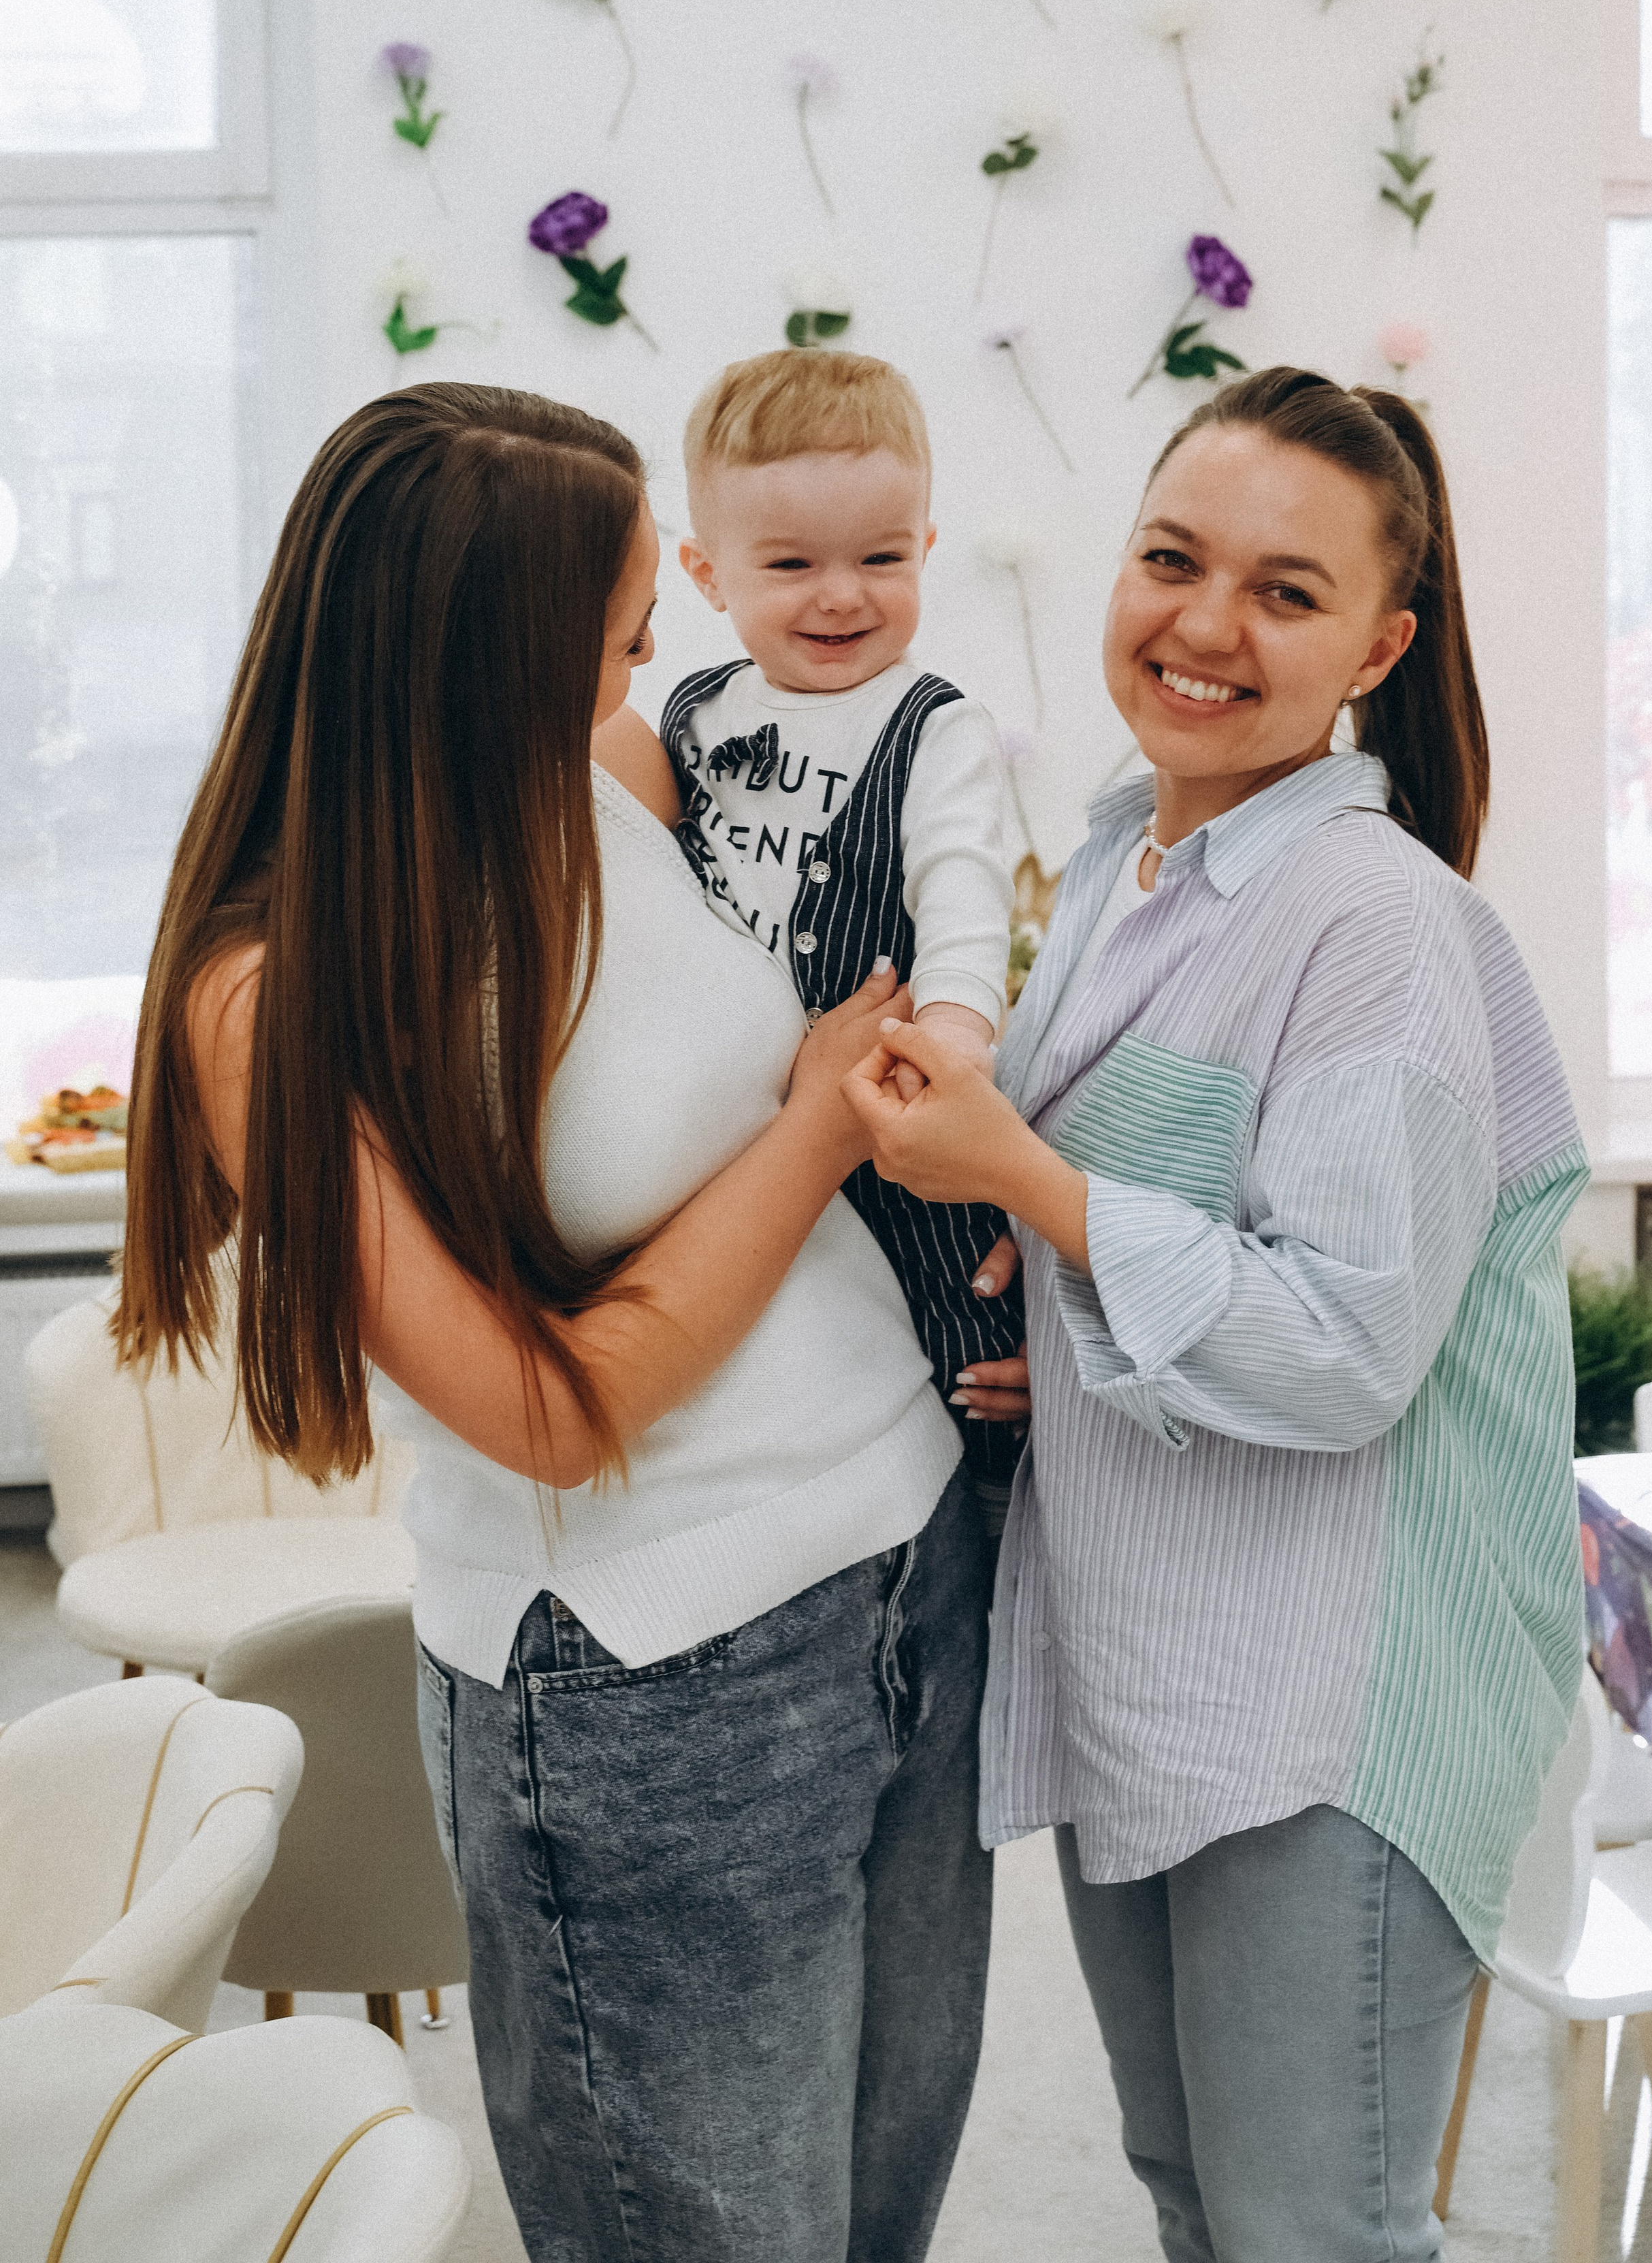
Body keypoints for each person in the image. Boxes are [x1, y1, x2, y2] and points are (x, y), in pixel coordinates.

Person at [118, 383, 992, 2263]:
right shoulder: (267, 999)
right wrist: (820, 1118)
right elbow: (546, 1408)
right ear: (478, 654)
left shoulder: (609, 775)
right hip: (651, 1677)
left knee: (878, 2215)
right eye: (614, 631)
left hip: (910, 1568)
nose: (658, 661)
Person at [845, 367, 1588, 2262]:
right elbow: (1170, 1217)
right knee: (1200, 2200)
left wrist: (1031, 1183)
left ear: (1377, 644)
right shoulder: (1128, 858)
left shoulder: (1376, 922)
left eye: (1283, 591)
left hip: (1331, 1698)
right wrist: (1062, 1325)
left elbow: (1344, 1344)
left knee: (1312, 2229)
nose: (1202, 625)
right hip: (1154, 1662)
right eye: (1172, 560)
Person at [664, 349, 1026, 1521]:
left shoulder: (936, 727)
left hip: (890, 1105)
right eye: (791, 565)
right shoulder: (693, 715)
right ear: (708, 574)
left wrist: (957, 1043)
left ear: (924, 550)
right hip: (734, 1112)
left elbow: (965, 894)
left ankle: (985, 1503)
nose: (841, 595)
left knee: (953, 1329)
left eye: (879, 558)